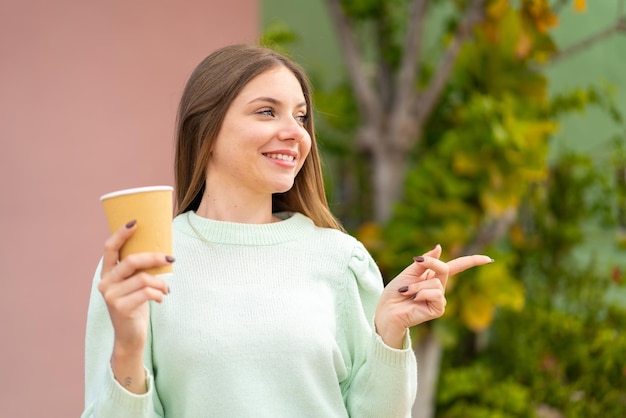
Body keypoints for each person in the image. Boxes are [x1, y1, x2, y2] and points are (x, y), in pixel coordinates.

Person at [81, 44, 493, 418]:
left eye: (300, 116)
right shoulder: (141, 268)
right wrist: (129, 350)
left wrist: (390, 331)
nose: (296, 132)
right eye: (266, 111)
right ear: (205, 132)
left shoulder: (342, 260)